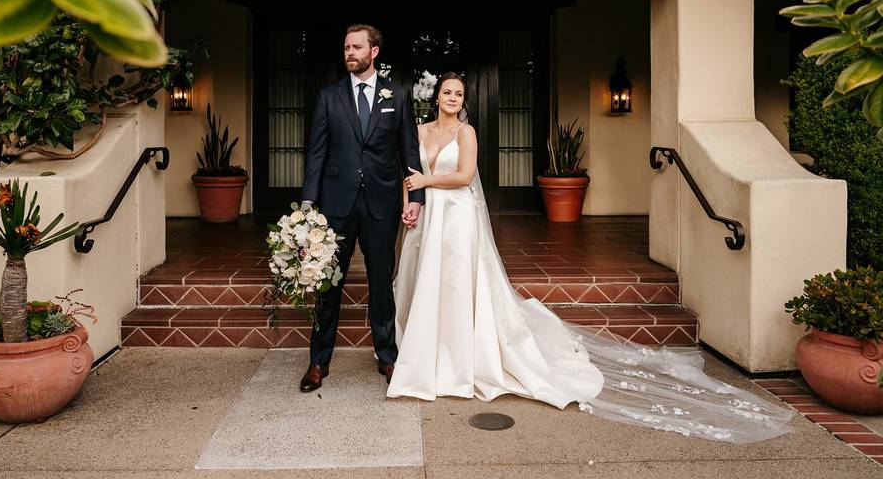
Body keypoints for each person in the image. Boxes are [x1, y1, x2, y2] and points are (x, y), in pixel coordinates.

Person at [387, 72, 795, 444]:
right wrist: (411, 204)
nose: (453, 98)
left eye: (459, 93)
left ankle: (456, 356)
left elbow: (462, 176)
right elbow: (410, 173)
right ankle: (426, 346)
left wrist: (428, 180)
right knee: (427, 279)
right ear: (435, 96)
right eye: (447, 92)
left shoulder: (467, 132)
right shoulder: (420, 131)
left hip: (457, 218)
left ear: (464, 100)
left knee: (457, 283)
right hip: (426, 217)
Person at [299, 24, 424, 393]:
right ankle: (318, 362)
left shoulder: (396, 96)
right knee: (327, 286)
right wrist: (308, 204)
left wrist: (416, 199)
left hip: (381, 203)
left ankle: (387, 357)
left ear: (374, 52)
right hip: (336, 205)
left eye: (356, 47)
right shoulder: (329, 96)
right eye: (346, 47)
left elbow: (409, 152)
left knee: (381, 282)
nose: (349, 52)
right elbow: (317, 154)